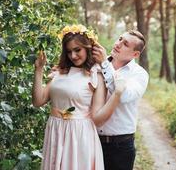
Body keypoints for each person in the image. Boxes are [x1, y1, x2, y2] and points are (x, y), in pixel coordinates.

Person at [32, 24, 125, 170]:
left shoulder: (96, 75)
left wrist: (117, 94)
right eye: (69, 52)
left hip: (79, 135)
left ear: (88, 48)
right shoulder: (60, 72)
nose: (73, 56)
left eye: (77, 50)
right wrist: (38, 69)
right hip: (55, 130)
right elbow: (38, 101)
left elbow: (98, 119)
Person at [92, 30, 149, 170]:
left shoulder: (139, 74)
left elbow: (122, 95)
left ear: (135, 54)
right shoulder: (95, 66)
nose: (118, 44)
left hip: (120, 148)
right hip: (91, 141)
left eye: (125, 44)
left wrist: (105, 64)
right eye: (119, 39)